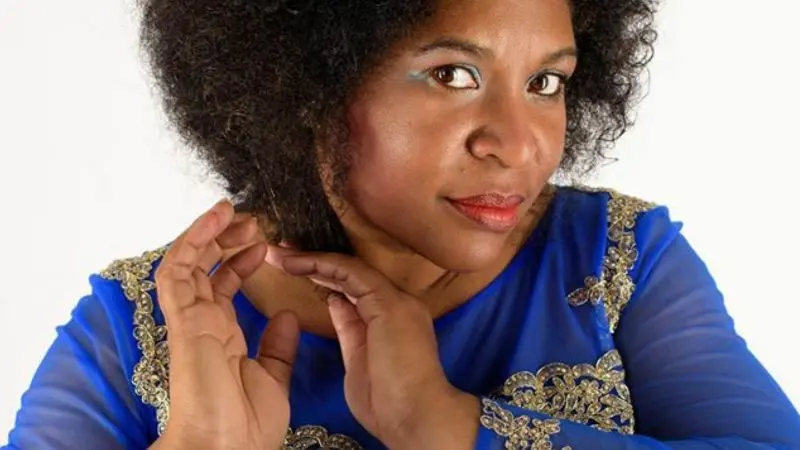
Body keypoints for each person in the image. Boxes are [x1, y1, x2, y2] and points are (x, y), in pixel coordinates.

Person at [4, 0, 800, 448]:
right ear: (304, 86)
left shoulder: (616, 262)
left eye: (546, 83)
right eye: (453, 74)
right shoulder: (142, 328)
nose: (520, 143)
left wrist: (446, 424)